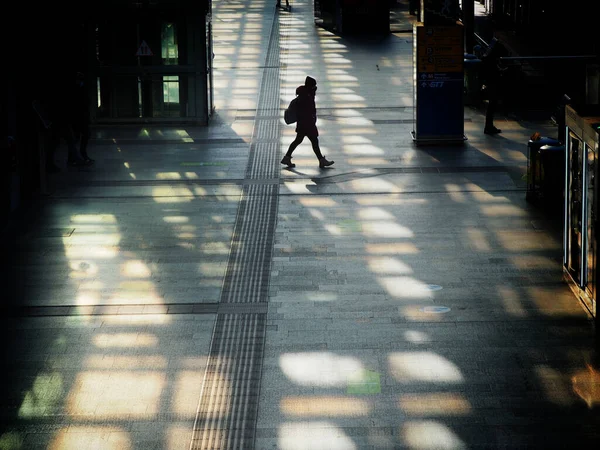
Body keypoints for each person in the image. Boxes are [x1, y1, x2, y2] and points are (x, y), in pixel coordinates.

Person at [281, 76, 334, 169]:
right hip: (307, 124)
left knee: (299, 140)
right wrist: (311, 121)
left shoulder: (305, 94)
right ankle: (321, 160)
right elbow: (308, 111)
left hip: (303, 123)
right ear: (311, 86)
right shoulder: (306, 97)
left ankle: (287, 157)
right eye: (314, 86)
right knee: (314, 141)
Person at [480, 38, 508, 135]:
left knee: (491, 105)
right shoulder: (491, 60)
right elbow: (493, 72)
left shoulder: (487, 58)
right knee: (492, 105)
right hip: (493, 84)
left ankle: (489, 126)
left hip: (490, 83)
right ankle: (489, 126)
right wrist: (501, 72)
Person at [69, 72, 94, 164]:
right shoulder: (79, 90)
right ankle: (78, 156)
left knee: (77, 137)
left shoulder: (79, 89)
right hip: (79, 118)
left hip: (79, 118)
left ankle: (75, 157)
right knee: (81, 136)